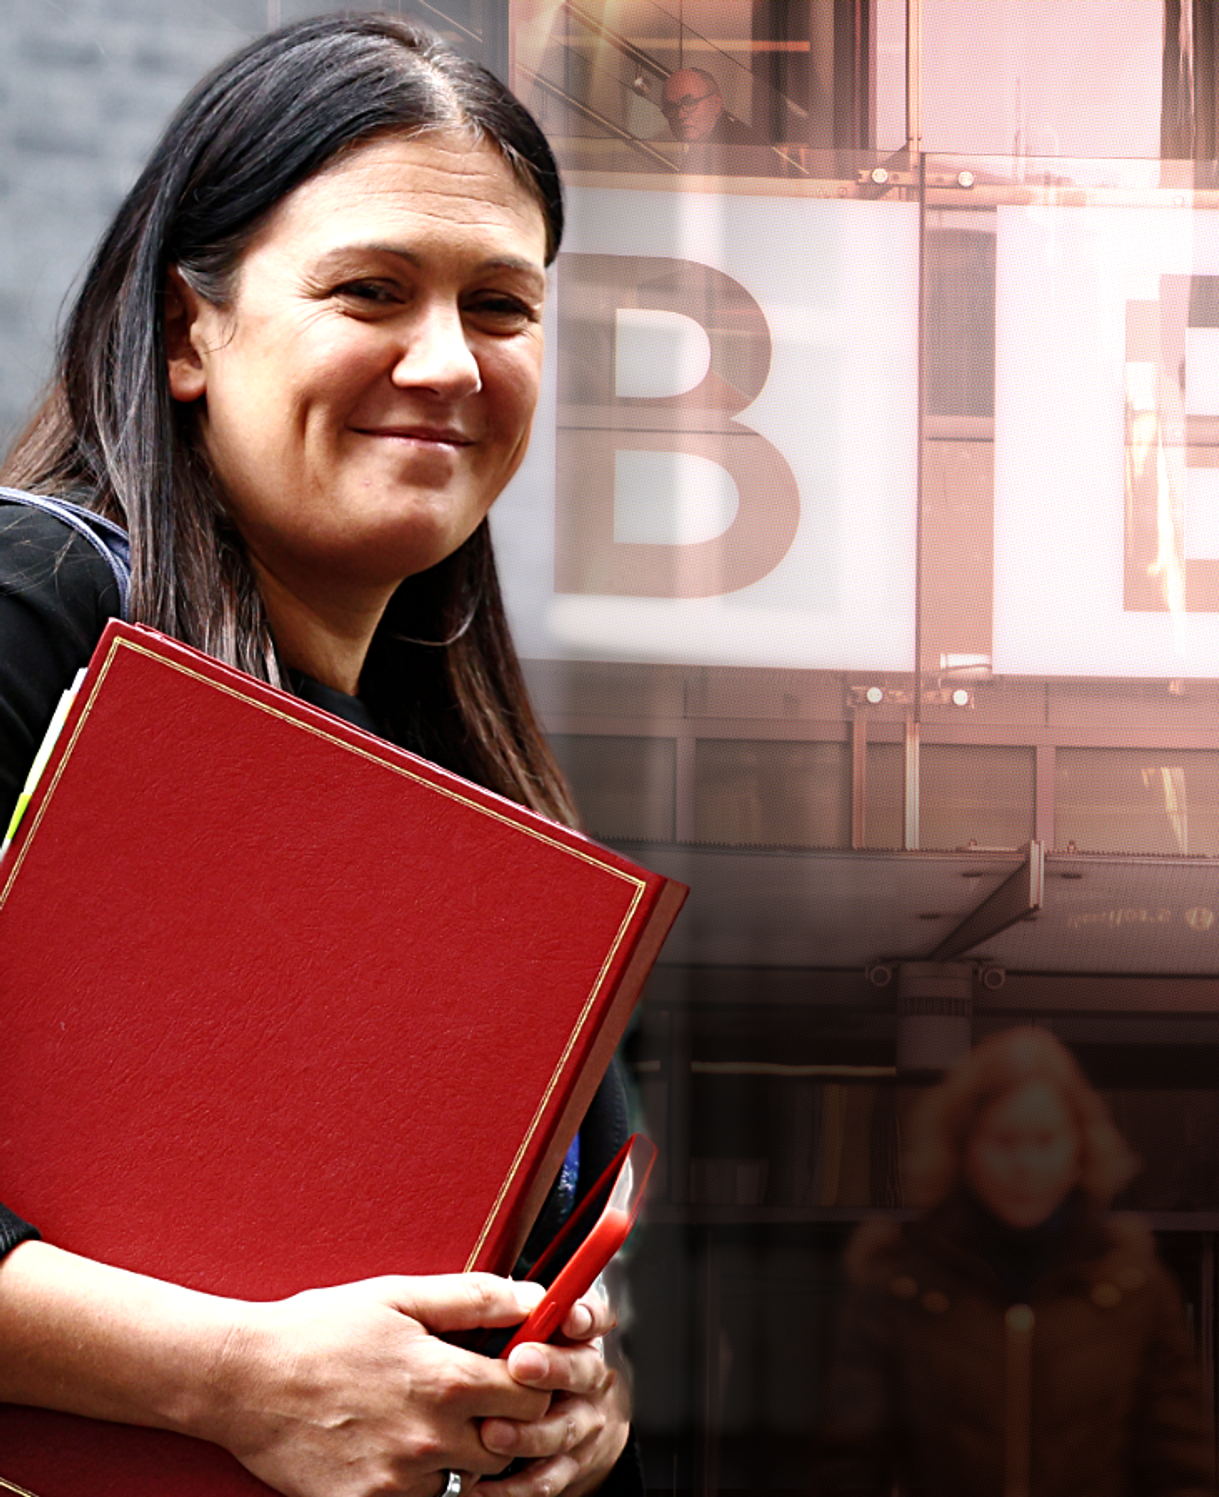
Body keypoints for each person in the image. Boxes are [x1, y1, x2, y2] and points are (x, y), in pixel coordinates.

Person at [0, 16, 640, 1497]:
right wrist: (230, 1377)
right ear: (184, 333)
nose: (448, 362)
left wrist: (558, 1399)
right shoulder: (35, 616)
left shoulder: (476, 799)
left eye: (502, 306)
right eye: (370, 290)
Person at [814, 1027, 1215, 1497]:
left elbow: (1180, 1470)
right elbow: (847, 1469)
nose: (1025, 1163)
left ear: (1078, 1150)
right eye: (1004, 1141)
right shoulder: (900, 1288)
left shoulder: (1135, 1292)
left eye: (1045, 1140)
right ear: (966, 1150)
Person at [658, 66, 797, 177]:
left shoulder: (741, 149)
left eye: (689, 102)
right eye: (670, 108)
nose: (680, 115)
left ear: (716, 103)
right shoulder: (708, 146)